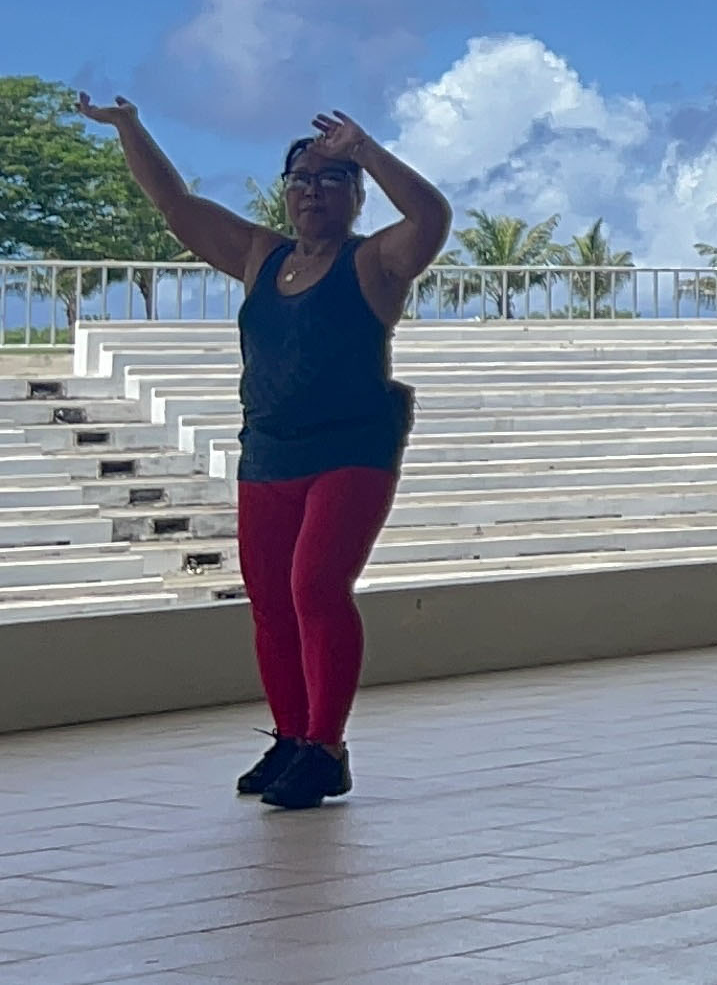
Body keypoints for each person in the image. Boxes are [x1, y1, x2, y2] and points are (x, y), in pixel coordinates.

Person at [78, 100, 449, 810]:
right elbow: (173, 202)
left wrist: (365, 149)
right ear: (286, 190)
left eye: (332, 179)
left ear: (355, 195)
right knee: (271, 601)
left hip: (352, 449)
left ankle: (326, 748)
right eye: (302, 178)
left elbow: (430, 218)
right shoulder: (260, 256)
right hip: (269, 453)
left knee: (315, 588)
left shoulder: (374, 261)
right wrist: (130, 127)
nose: (313, 191)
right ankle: (291, 736)